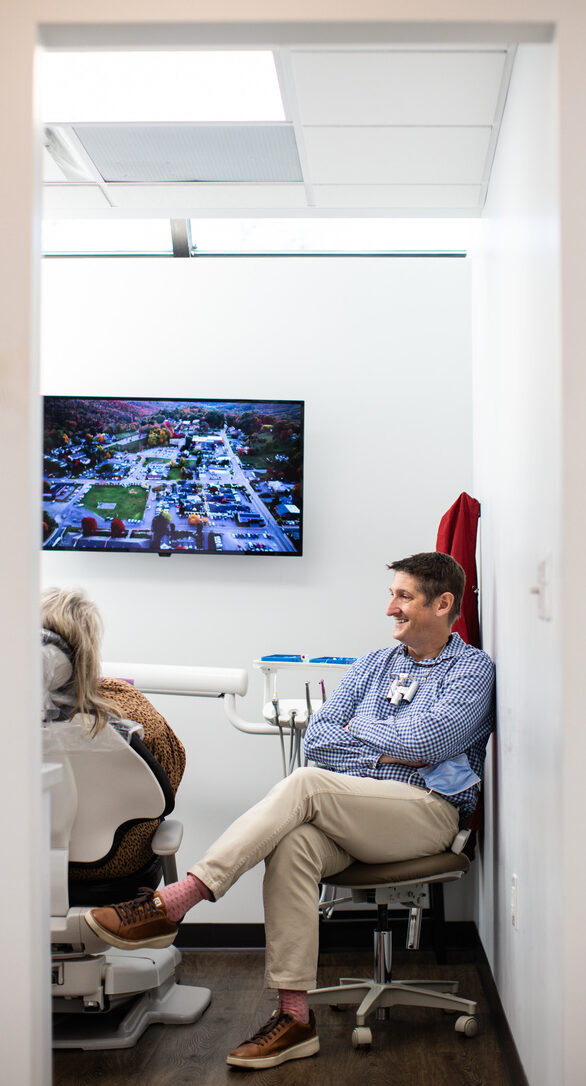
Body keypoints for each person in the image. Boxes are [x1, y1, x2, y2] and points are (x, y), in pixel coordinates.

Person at [84, 552, 495, 1070]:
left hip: (427, 812)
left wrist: (365, 739)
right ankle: (295, 1018)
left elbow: (430, 739)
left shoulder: (473, 671)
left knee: (304, 786)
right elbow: (320, 740)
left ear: (443, 603)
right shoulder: (373, 664)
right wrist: (389, 749)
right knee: (293, 844)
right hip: (354, 808)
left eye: (403, 596)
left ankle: (178, 899)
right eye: (392, 594)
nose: (390, 606)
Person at [42, 586, 186, 884]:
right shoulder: (131, 708)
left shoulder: (13, 722)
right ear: (89, 648)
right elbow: (171, 774)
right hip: (116, 870)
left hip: (26, 866)